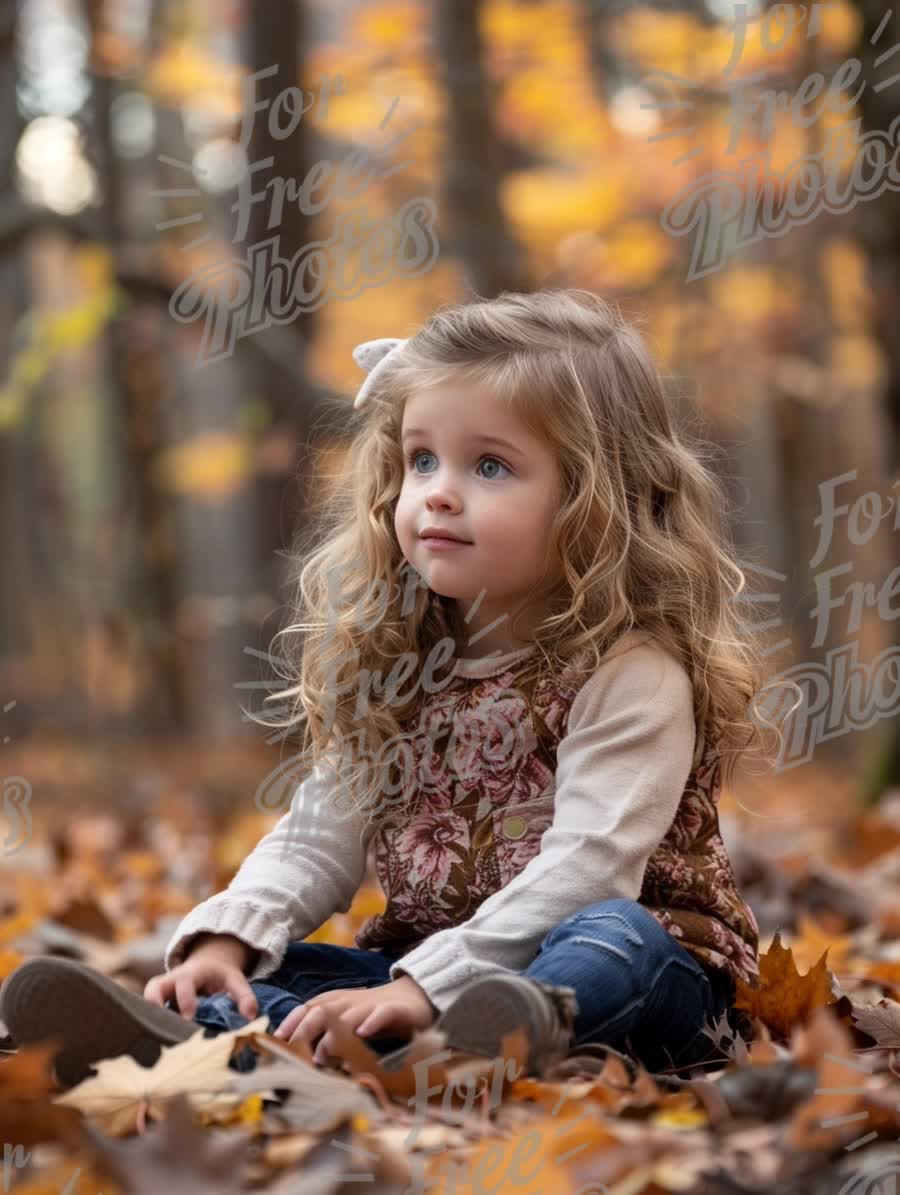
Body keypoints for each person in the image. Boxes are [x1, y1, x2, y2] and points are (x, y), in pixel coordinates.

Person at [0, 289, 773, 1090]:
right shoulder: (403, 664)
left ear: (594, 497)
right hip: (428, 975)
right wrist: (226, 939)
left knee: (613, 938)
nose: (437, 490)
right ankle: (245, 1043)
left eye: (491, 465)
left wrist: (423, 986)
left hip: (647, 978)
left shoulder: (630, 672)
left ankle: (406, 1044)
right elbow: (319, 835)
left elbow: (590, 866)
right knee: (295, 973)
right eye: (421, 459)